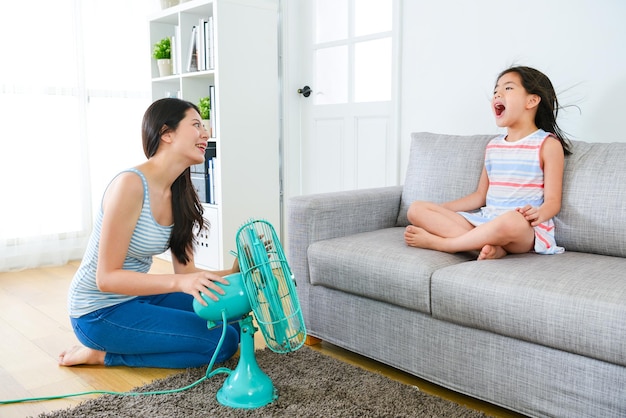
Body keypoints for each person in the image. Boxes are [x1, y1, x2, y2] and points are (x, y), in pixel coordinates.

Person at [59, 98, 240, 368]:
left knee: (229, 317)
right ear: (167, 133)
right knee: (223, 342)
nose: (206, 133)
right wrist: (179, 285)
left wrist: (237, 270)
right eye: (196, 125)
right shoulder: (130, 185)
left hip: (134, 298)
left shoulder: (180, 194)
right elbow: (106, 279)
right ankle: (101, 355)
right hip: (98, 312)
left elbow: (188, 277)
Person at [404, 66, 572, 260]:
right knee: (417, 209)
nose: (498, 94)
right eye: (495, 91)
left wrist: (539, 213)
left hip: (522, 229)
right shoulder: (493, 146)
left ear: (532, 100)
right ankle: (490, 248)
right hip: (485, 222)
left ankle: (445, 244)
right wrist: (441, 210)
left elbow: (553, 202)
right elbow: (479, 197)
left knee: (511, 219)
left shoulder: (548, 144)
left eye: (508, 88)